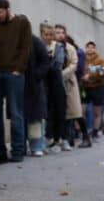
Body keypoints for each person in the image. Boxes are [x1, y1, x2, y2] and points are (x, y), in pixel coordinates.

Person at [0, 0, 32, 163]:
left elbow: (26, 47)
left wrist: (19, 69)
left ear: (7, 9)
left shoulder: (22, 22)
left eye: (0, 12)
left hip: (14, 73)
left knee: (15, 112)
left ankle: (18, 150)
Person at [54, 25, 90, 148]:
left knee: (76, 112)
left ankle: (86, 137)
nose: (60, 35)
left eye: (62, 32)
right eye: (57, 32)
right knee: (61, 112)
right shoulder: (51, 47)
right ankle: (66, 138)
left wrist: (61, 75)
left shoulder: (70, 48)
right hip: (55, 83)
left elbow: (74, 64)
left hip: (69, 82)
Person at [39, 22, 71, 150]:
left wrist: (45, 63)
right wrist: (47, 61)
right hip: (43, 82)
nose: (48, 37)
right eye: (46, 34)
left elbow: (58, 63)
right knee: (47, 111)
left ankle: (63, 139)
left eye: (51, 34)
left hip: (57, 81)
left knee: (60, 110)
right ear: (41, 34)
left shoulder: (58, 46)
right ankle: (49, 139)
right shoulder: (39, 46)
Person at [25, 35, 51, 156]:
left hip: (33, 84)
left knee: (35, 117)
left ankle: (36, 146)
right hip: (20, 82)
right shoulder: (14, 39)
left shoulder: (35, 41)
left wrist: (35, 76)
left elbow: (45, 62)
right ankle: (23, 146)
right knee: (22, 116)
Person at [80, 41, 104, 138]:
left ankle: (95, 131)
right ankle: (82, 131)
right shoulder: (82, 59)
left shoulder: (100, 60)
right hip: (85, 88)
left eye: (92, 47)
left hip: (97, 88)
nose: (90, 49)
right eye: (88, 47)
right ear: (86, 48)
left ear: (95, 49)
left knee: (96, 112)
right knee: (81, 111)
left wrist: (91, 76)